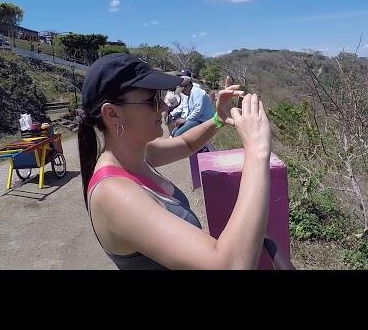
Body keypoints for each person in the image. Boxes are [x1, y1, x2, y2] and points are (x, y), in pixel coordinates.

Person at [77, 53, 272, 269]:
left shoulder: (137, 153)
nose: (163, 106)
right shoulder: (113, 194)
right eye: (152, 100)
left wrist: (218, 119)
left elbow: (187, 144)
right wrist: (257, 150)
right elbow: (230, 265)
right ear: (112, 113)